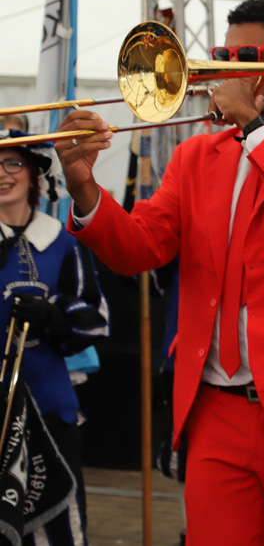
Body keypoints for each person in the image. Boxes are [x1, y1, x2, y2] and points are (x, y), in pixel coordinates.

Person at [54, 0, 264, 544]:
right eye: (221, 54)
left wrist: (255, 125)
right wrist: (84, 185)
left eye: (246, 56)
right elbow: (139, 249)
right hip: (215, 407)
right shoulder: (196, 156)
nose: (225, 67)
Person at [0, 130, 109, 544]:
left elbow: (96, 320)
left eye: (13, 163)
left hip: (49, 408)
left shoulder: (64, 243)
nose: (2, 174)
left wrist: (54, 317)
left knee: (60, 525)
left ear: (35, 173)